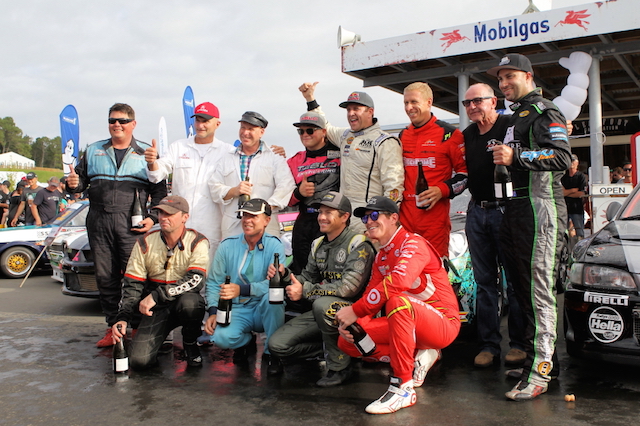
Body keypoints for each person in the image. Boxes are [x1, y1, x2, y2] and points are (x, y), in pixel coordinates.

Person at [488, 53, 571, 400]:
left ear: (528, 76)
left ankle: (539, 373)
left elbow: (562, 157)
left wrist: (516, 157)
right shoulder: (516, 115)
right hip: (516, 208)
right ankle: (540, 362)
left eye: (510, 76)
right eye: (500, 78)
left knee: (538, 292)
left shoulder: (544, 110)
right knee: (522, 291)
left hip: (541, 209)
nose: (504, 83)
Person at [335, 196, 460, 414]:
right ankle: (419, 356)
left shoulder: (413, 243)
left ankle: (403, 387)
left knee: (396, 300)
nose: (369, 221)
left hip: (442, 324)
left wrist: (354, 310)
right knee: (348, 341)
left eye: (375, 215)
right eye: (365, 218)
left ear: (394, 218)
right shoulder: (381, 256)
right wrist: (354, 323)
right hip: (408, 323)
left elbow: (399, 282)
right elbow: (371, 297)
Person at [66, 103, 168, 348]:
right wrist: (72, 183)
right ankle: (113, 327)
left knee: (136, 277)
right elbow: (79, 183)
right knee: (106, 278)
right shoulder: (93, 150)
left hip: (131, 224)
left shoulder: (146, 152)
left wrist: (153, 218)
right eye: (112, 120)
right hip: (99, 222)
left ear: (133, 124)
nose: (117, 125)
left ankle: (140, 328)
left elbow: (159, 192)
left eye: (122, 121)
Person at [268, 192, 375, 386]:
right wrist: (284, 275)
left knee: (322, 304)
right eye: (320, 212)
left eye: (328, 212)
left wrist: (305, 290)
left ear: (345, 217)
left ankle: (340, 366)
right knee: (277, 345)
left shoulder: (358, 244)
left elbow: (348, 289)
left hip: (357, 313)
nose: (321, 217)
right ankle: (336, 349)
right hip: (327, 313)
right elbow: (306, 278)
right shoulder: (318, 244)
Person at [461, 83, 525, 368]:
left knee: (515, 282)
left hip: (507, 211)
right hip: (477, 211)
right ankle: (488, 346)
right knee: (484, 283)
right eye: (467, 103)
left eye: (478, 101)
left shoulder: (511, 125)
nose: (472, 106)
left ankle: (519, 344)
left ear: (493, 101)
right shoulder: (467, 135)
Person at [111, 195, 209, 369]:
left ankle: (190, 344)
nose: (163, 218)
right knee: (139, 361)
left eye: (169, 214)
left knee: (192, 303)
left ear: (185, 217)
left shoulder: (197, 241)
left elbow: (196, 280)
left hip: (182, 300)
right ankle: (158, 340)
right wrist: (123, 318)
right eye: (161, 213)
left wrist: (157, 295)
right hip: (156, 308)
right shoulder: (144, 242)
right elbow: (132, 285)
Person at [299, 82, 404, 234]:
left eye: (356, 109)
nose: (351, 113)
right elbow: (324, 125)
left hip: (369, 217)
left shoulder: (385, 141)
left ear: (370, 112)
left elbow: (394, 186)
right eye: (348, 110)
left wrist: (382, 220)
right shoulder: (345, 136)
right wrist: (310, 99)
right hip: (344, 216)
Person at [202, 198, 285, 373]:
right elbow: (214, 283)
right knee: (220, 338)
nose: (247, 220)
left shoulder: (275, 245)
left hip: (263, 307)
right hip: (238, 308)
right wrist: (213, 311)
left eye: (254, 216)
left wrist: (242, 289)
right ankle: (245, 342)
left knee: (274, 300)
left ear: (267, 220)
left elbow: (275, 286)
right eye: (245, 215)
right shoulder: (227, 246)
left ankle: (273, 353)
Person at [146, 102, 233, 258]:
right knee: (176, 269)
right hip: (180, 226)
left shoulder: (228, 152)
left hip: (211, 228)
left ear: (217, 124)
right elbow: (156, 174)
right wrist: (152, 162)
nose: (200, 125)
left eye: (205, 121)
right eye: (198, 120)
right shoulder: (178, 147)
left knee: (206, 270)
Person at [399, 82, 468, 258]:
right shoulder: (403, 135)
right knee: (405, 270)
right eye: (406, 103)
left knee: (434, 270)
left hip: (434, 221)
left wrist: (441, 190)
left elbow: (465, 175)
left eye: (414, 102)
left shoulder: (450, 134)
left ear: (429, 102)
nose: (409, 107)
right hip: (405, 219)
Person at [209, 112, 296, 240]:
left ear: (261, 132)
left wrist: (264, 209)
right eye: (243, 128)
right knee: (233, 253)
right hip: (233, 227)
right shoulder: (226, 158)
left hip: (265, 226)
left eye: (251, 129)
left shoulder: (274, 157)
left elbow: (287, 185)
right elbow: (214, 187)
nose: (245, 132)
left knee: (265, 253)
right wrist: (233, 191)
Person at [286, 111, 341, 275]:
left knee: (331, 271)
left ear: (324, 132)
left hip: (332, 221)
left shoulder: (341, 155)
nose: (305, 134)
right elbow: (285, 199)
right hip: (305, 220)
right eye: (301, 131)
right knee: (301, 271)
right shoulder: (294, 160)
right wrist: (299, 193)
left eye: (310, 130)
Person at [562, 154, 588, 239]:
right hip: (565, 208)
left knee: (579, 231)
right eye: (570, 161)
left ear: (577, 163)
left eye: (573, 161)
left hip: (577, 208)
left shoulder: (581, 176)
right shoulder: (564, 177)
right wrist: (573, 190)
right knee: (563, 231)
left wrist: (567, 192)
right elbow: (562, 193)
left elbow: (581, 194)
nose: (571, 163)